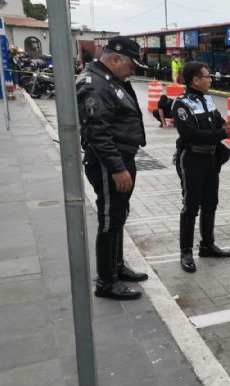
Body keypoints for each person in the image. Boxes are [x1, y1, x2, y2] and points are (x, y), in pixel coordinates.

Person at [76, 36, 149, 300]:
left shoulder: (110, 80)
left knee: (118, 215)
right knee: (109, 218)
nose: (133, 71)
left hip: (120, 158)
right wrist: (117, 168)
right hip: (109, 163)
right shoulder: (95, 84)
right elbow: (97, 132)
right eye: (131, 66)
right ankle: (106, 282)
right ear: (115, 58)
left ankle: (116, 267)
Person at [172, 62, 230, 273]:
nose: (210, 79)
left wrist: (224, 125)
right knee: (190, 206)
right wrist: (224, 134)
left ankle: (207, 245)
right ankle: (186, 251)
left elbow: (217, 120)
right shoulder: (181, 104)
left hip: (211, 159)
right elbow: (190, 134)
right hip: (192, 158)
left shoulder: (208, 99)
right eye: (207, 76)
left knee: (211, 202)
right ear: (196, 80)